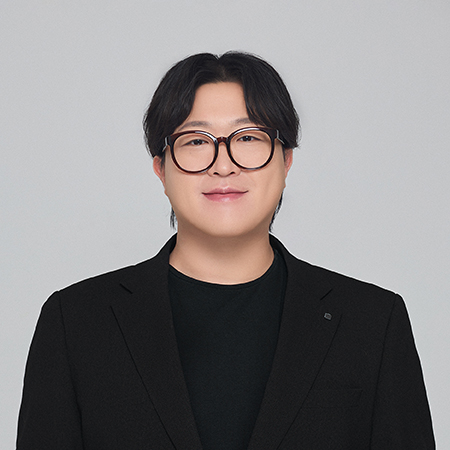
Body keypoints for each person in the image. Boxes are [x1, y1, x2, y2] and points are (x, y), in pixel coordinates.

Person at [17, 52, 435, 449]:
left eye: (248, 137)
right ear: (161, 167)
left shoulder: (372, 323)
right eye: (196, 141)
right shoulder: (75, 323)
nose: (223, 164)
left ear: (286, 160)